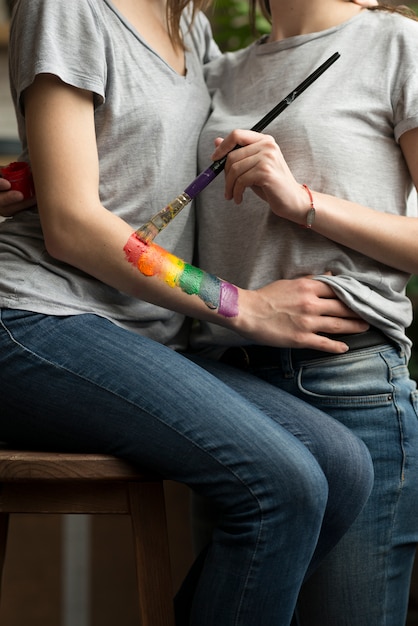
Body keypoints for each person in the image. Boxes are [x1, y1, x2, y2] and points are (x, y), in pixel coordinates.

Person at [0, 1, 375, 625]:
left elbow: (138, 159)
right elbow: (70, 225)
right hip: (38, 317)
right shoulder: (70, 7)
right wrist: (242, 305)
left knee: (341, 467)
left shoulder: (187, 24)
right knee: (281, 486)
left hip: (141, 335)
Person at [186, 1, 418, 624]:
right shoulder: (215, 70)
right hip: (222, 380)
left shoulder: (397, 43)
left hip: (347, 382)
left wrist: (302, 201)